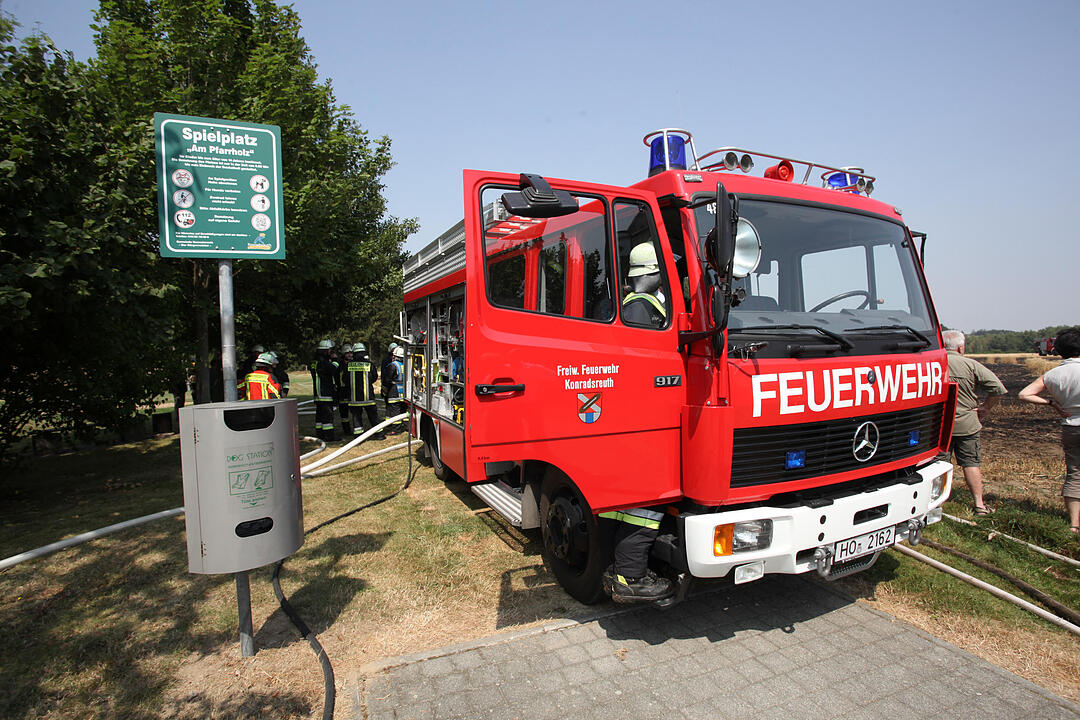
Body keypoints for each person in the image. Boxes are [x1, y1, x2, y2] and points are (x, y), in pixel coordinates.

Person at [599, 242, 673, 603]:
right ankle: (629, 576)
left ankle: (619, 568)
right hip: (646, 421)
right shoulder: (641, 310)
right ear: (653, 271)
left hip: (636, 421)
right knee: (644, 504)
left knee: (626, 503)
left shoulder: (640, 307)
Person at [939, 329, 1007, 515]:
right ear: (961, 348)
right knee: (971, 463)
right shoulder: (970, 364)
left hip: (939, 425)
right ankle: (979, 504)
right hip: (967, 424)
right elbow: (998, 388)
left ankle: (936, 504)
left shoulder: (934, 365)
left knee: (939, 465)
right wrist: (985, 408)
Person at [1019, 327, 1080, 533]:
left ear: (1059, 351)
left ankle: (1073, 524)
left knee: (1074, 473)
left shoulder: (1053, 374)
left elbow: (1025, 394)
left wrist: (1051, 403)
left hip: (1070, 427)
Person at [342, 341, 382, 439]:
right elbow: (374, 377)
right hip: (369, 397)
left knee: (356, 418)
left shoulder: (348, 365)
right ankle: (379, 435)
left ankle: (358, 436)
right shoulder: (369, 364)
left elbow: (344, 379)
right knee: (373, 417)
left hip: (354, 399)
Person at [309, 339, 339, 441]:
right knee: (327, 417)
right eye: (330, 350)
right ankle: (329, 436)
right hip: (325, 393)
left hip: (318, 394)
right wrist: (336, 361)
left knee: (319, 417)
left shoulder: (315, 362)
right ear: (326, 350)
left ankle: (320, 434)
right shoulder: (323, 362)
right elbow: (333, 370)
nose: (331, 352)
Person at [385, 345, 406, 433]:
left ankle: (396, 429)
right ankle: (406, 426)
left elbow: (387, 379)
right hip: (404, 391)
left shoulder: (392, 365)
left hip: (394, 391)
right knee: (403, 409)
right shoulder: (406, 365)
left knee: (395, 410)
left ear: (394, 356)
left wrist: (385, 388)